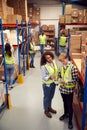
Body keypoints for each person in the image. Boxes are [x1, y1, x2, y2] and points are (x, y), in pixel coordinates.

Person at [58, 53, 78, 129]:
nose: (62, 63)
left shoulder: (73, 68)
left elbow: (75, 80)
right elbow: (59, 75)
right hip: (62, 89)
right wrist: (59, 79)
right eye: (61, 62)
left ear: (67, 59)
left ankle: (70, 121)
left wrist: (67, 82)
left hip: (69, 90)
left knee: (70, 105)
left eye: (63, 61)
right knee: (64, 103)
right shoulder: (61, 67)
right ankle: (65, 114)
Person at [40, 51, 59, 118]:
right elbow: (44, 77)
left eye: (50, 57)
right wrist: (50, 77)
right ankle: (46, 110)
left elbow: (56, 71)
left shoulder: (53, 62)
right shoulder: (44, 66)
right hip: (47, 85)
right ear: (45, 59)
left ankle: (49, 107)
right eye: (48, 58)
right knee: (46, 98)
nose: (50, 59)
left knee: (51, 97)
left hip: (53, 83)